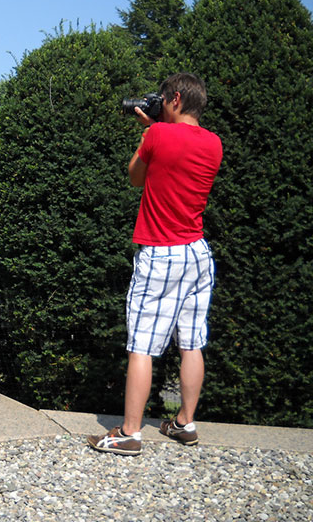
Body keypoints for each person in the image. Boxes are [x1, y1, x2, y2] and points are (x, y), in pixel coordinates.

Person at [88, 73, 222, 456]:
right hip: (197, 252)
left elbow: (135, 177)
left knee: (142, 346)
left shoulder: (158, 136)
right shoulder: (214, 143)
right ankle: (185, 423)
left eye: (163, 100)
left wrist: (149, 133)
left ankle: (130, 433)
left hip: (161, 252)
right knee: (192, 341)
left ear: (175, 98)